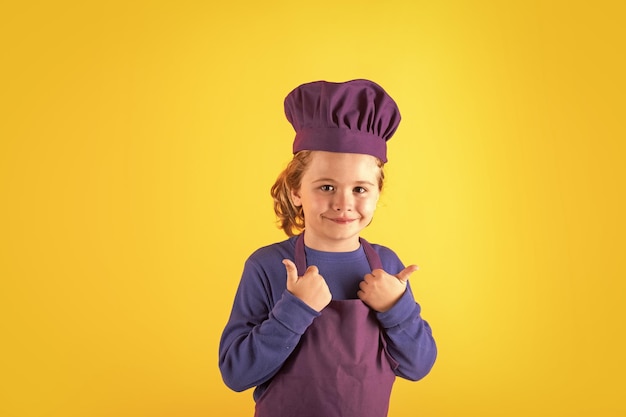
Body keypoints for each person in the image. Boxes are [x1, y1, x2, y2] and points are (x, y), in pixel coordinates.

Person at [219, 79, 437, 417]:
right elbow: (235, 373)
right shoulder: (267, 266)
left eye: (360, 189)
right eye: (326, 186)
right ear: (296, 191)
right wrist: (294, 310)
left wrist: (396, 307)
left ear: (378, 194)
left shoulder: (387, 265)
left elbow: (418, 366)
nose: (343, 203)